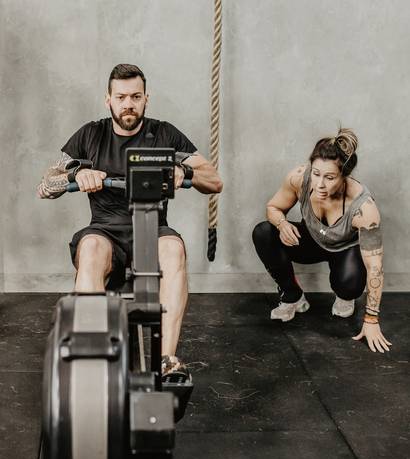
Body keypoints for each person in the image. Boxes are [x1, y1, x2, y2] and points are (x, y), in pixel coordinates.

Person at [37, 63, 223, 380]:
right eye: (121, 97)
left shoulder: (164, 134)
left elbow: (214, 181)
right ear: (108, 99)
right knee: (90, 248)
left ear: (146, 99)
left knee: (174, 249)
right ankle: (92, 353)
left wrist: (185, 171)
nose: (128, 104)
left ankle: (167, 360)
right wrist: (76, 175)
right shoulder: (91, 134)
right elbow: (45, 185)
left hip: (152, 228)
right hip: (105, 230)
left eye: (136, 97)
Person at [252, 128, 391, 354]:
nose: (320, 185)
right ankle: (293, 296)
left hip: (343, 249)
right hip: (311, 240)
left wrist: (371, 319)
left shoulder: (363, 208)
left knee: (349, 285)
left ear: (344, 175)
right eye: (316, 174)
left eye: (330, 177)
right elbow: (273, 207)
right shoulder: (299, 178)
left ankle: (345, 296)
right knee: (263, 232)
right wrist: (282, 224)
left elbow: (375, 267)